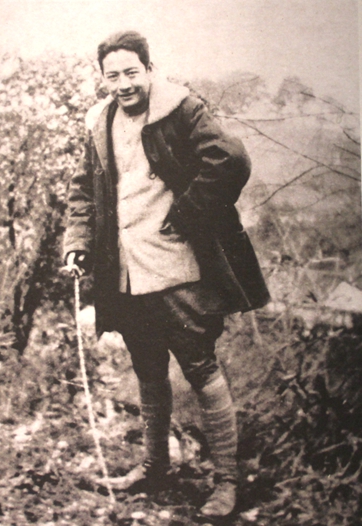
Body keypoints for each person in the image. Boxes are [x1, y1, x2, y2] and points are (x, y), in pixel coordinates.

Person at [63, 30, 270, 519]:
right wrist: (77, 244)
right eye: (112, 75)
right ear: (103, 79)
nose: (123, 84)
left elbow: (230, 159)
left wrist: (189, 210)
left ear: (149, 69)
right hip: (126, 272)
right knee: (147, 367)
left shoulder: (182, 109)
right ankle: (154, 468)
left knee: (200, 367)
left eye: (131, 72)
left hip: (179, 268)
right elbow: (83, 190)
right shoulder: (99, 121)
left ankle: (226, 482)